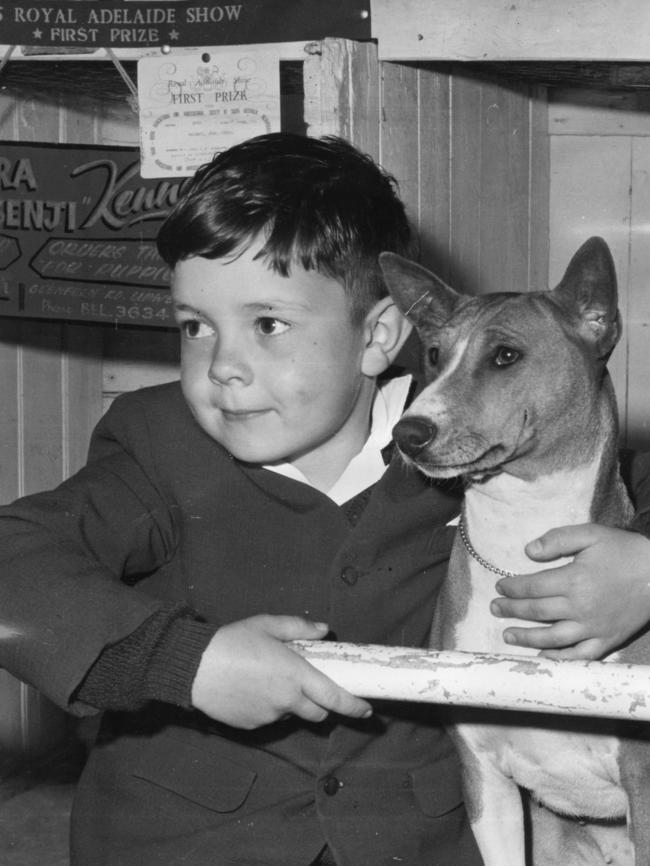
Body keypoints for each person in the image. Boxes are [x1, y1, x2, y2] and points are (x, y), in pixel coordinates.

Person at [0, 133, 484, 866]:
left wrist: (632, 567)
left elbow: (619, 485)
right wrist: (186, 663)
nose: (223, 366)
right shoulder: (157, 444)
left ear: (378, 335)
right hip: (180, 844)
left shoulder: (468, 434)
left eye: (268, 325)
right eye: (195, 327)